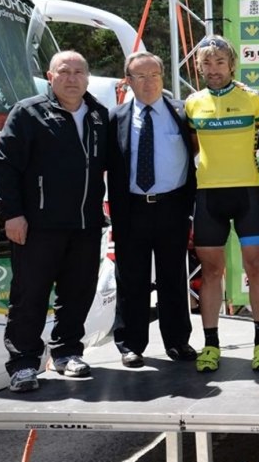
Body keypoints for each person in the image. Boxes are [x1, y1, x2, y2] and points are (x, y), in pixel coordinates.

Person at [0, 51, 109, 392]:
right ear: (50, 75)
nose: (72, 78)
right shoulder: (28, 113)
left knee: (77, 294)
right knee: (29, 296)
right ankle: (24, 364)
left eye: (79, 71)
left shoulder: (99, 116)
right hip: (38, 225)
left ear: (88, 77)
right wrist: (12, 215)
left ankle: (66, 354)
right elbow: (4, 167)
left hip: (86, 225)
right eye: (64, 71)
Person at [184, 36, 259, 372]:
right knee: (210, 272)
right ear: (198, 66)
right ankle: (210, 346)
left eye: (220, 62)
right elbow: (192, 146)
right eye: (206, 63)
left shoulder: (252, 99)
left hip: (246, 195)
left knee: (257, 268)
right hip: (209, 196)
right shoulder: (193, 103)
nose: (213, 69)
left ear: (232, 64)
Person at [107, 51, 197, 367]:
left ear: (163, 77)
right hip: (131, 209)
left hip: (172, 207)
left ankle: (177, 342)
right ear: (128, 81)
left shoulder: (183, 113)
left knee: (174, 277)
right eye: (140, 76)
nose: (149, 82)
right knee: (132, 279)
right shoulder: (114, 118)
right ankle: (130, 344)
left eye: (154, 75)